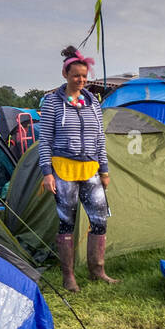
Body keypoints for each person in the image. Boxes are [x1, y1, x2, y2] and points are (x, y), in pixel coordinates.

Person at [38, 45, 114, 291]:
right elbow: (45, 140)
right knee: (66, 223)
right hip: (63, 170)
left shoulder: (93, 104)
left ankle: (97, 270)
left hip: (90, 169)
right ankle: (68, 276)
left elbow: (100, 138)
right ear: (65, 75)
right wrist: (47, 173)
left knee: (99, 220)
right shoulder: (52, 103)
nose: (81, 80)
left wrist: (104, 169)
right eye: (75, 76)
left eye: (84, 76)